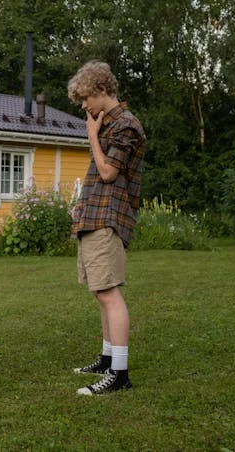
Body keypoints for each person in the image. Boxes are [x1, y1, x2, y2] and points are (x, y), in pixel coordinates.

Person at [67, 61, 145, 395]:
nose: (84, 106)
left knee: (110, 293)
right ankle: (107, 357)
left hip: (108, 218)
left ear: (102, 90)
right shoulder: (107, 125)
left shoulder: (125, 126)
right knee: (101, 292)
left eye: (86, 98)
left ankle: (120, 374)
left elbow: (108, 172)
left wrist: (91, 136)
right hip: (93, 215)